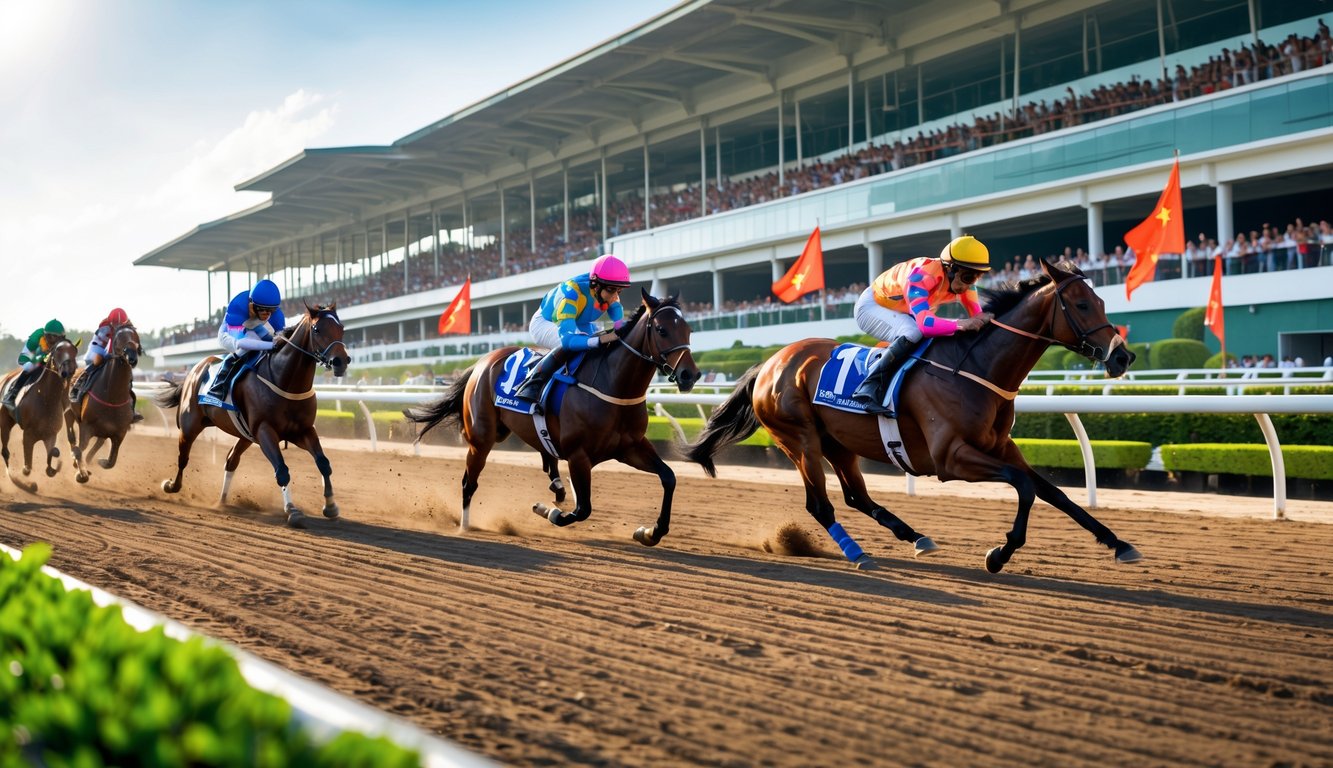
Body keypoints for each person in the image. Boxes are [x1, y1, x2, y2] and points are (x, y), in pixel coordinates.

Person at [850, 235, 995, 414]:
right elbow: (926, 326)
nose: (969, 285)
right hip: (872, 306)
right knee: (913, 332)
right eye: (967, 277)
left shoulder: (965, 284)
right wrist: (961, 323)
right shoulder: (921, 275)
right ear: (951, 269)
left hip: (903, 310)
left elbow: (978, 317)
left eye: (975, 278)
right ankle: (869, 386)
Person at [512, 254, 632, 409]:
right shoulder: (571, 294)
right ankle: (532, 385)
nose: (615, 296)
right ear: (596, 285)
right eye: (611, 290)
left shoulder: (606, 288)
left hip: (580, 322)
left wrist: (619, 328)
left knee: (596, 348)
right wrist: (601, 339)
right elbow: (568, 341)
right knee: (578, 346)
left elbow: (616, 310)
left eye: (619, 291)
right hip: (546, 323)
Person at [204, 280, 286, 401]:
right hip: (230, 333)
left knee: (273, 344)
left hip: (253, 327)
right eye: (262, 309)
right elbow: (243, 342)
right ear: (252, 304)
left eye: (270, 311)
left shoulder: (276, 313)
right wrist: (272, 345)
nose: (266, 314)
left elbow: (282, 337)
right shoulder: (237, 307)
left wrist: (280, 342)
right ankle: (219, 383)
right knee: (247, 347)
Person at [68, 308, 143, 421]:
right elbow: (97, 345)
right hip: (97, 350)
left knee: (127, 373)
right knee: (97, 362)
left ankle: (131, 408)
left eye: (120, 324)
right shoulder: (105, 328)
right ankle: (77, 388)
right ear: (111, 321)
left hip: (115, 354)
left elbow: (134, 345)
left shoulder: (128, 330)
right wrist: (108, 355)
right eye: (115, 323)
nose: (117, 325)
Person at [4, 319, 66, 415]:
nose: (54, 341)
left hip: (45, 357)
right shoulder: (36, 337)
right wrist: (42, 357)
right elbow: (26, 359)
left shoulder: (61, 343)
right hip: (30, 356)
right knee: (31, 366)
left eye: (57, 338)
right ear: (46, 336)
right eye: (51, 337)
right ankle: (11, 394)